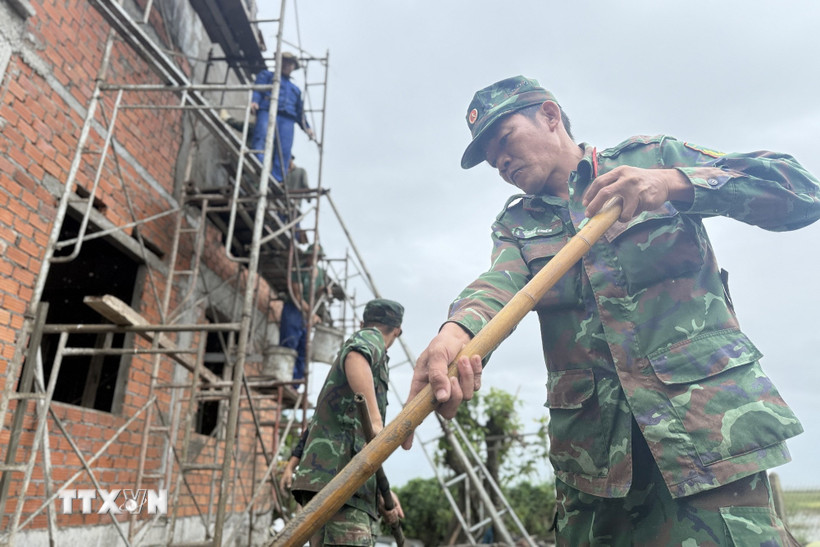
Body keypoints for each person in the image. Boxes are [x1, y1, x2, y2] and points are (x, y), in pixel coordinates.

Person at [403, 76, 820, 546]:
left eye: (504, 139)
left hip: (705, 441)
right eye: (489, 157)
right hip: (596, 471)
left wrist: (673, 183)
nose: (500, 161)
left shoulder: (650, 159)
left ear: (550, 115)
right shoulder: (517, 224)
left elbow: (802, 192)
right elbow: (497, 285)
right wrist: (454, 334)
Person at [292, 299, 406, 546]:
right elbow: (356, 355)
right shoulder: (371, 337)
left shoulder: (370, 364)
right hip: (340, 486)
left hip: (345, 485)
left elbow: (350, 433)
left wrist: (380, 493)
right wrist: (376, 421)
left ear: (362, 321)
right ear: (397, 331)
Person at [251, 51, 314, 182]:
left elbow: (300, 112)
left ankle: (277, 179)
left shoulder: (295, 89)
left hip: (287, 119)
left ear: (293, 67)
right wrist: (255, 101)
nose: (286, 65)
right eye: (284, 61)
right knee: (262, 137)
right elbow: (258, 89)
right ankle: (259, 166)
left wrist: (307, 127)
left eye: (290, 63)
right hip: (268, 111)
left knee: (284, 150)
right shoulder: (267, 76)